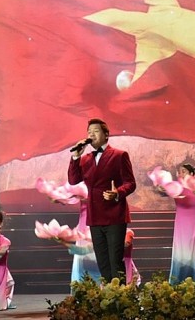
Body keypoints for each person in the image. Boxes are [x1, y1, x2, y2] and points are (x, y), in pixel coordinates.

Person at [67, 118, 136, 283]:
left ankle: (120, 298)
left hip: (115, 215)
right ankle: (109, 296)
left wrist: (117, 193)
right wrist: (76, 157)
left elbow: (131, 183)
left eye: (95, 131)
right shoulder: (86, 158)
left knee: (115, 260)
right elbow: (73, 180)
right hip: (95, 214)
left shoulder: (119, 155)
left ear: (106, 134)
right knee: (103, 261)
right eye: (89, 132)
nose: (91, 135)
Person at [164, 163, 195, 284]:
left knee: (193, 251)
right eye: (179, 172)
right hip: (182, 224)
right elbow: (163, 192)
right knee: (181, 251)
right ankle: (178, 281)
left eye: (184, 171)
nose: (181, 174)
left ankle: (194, 281)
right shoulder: (176, 187)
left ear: (191, 174)